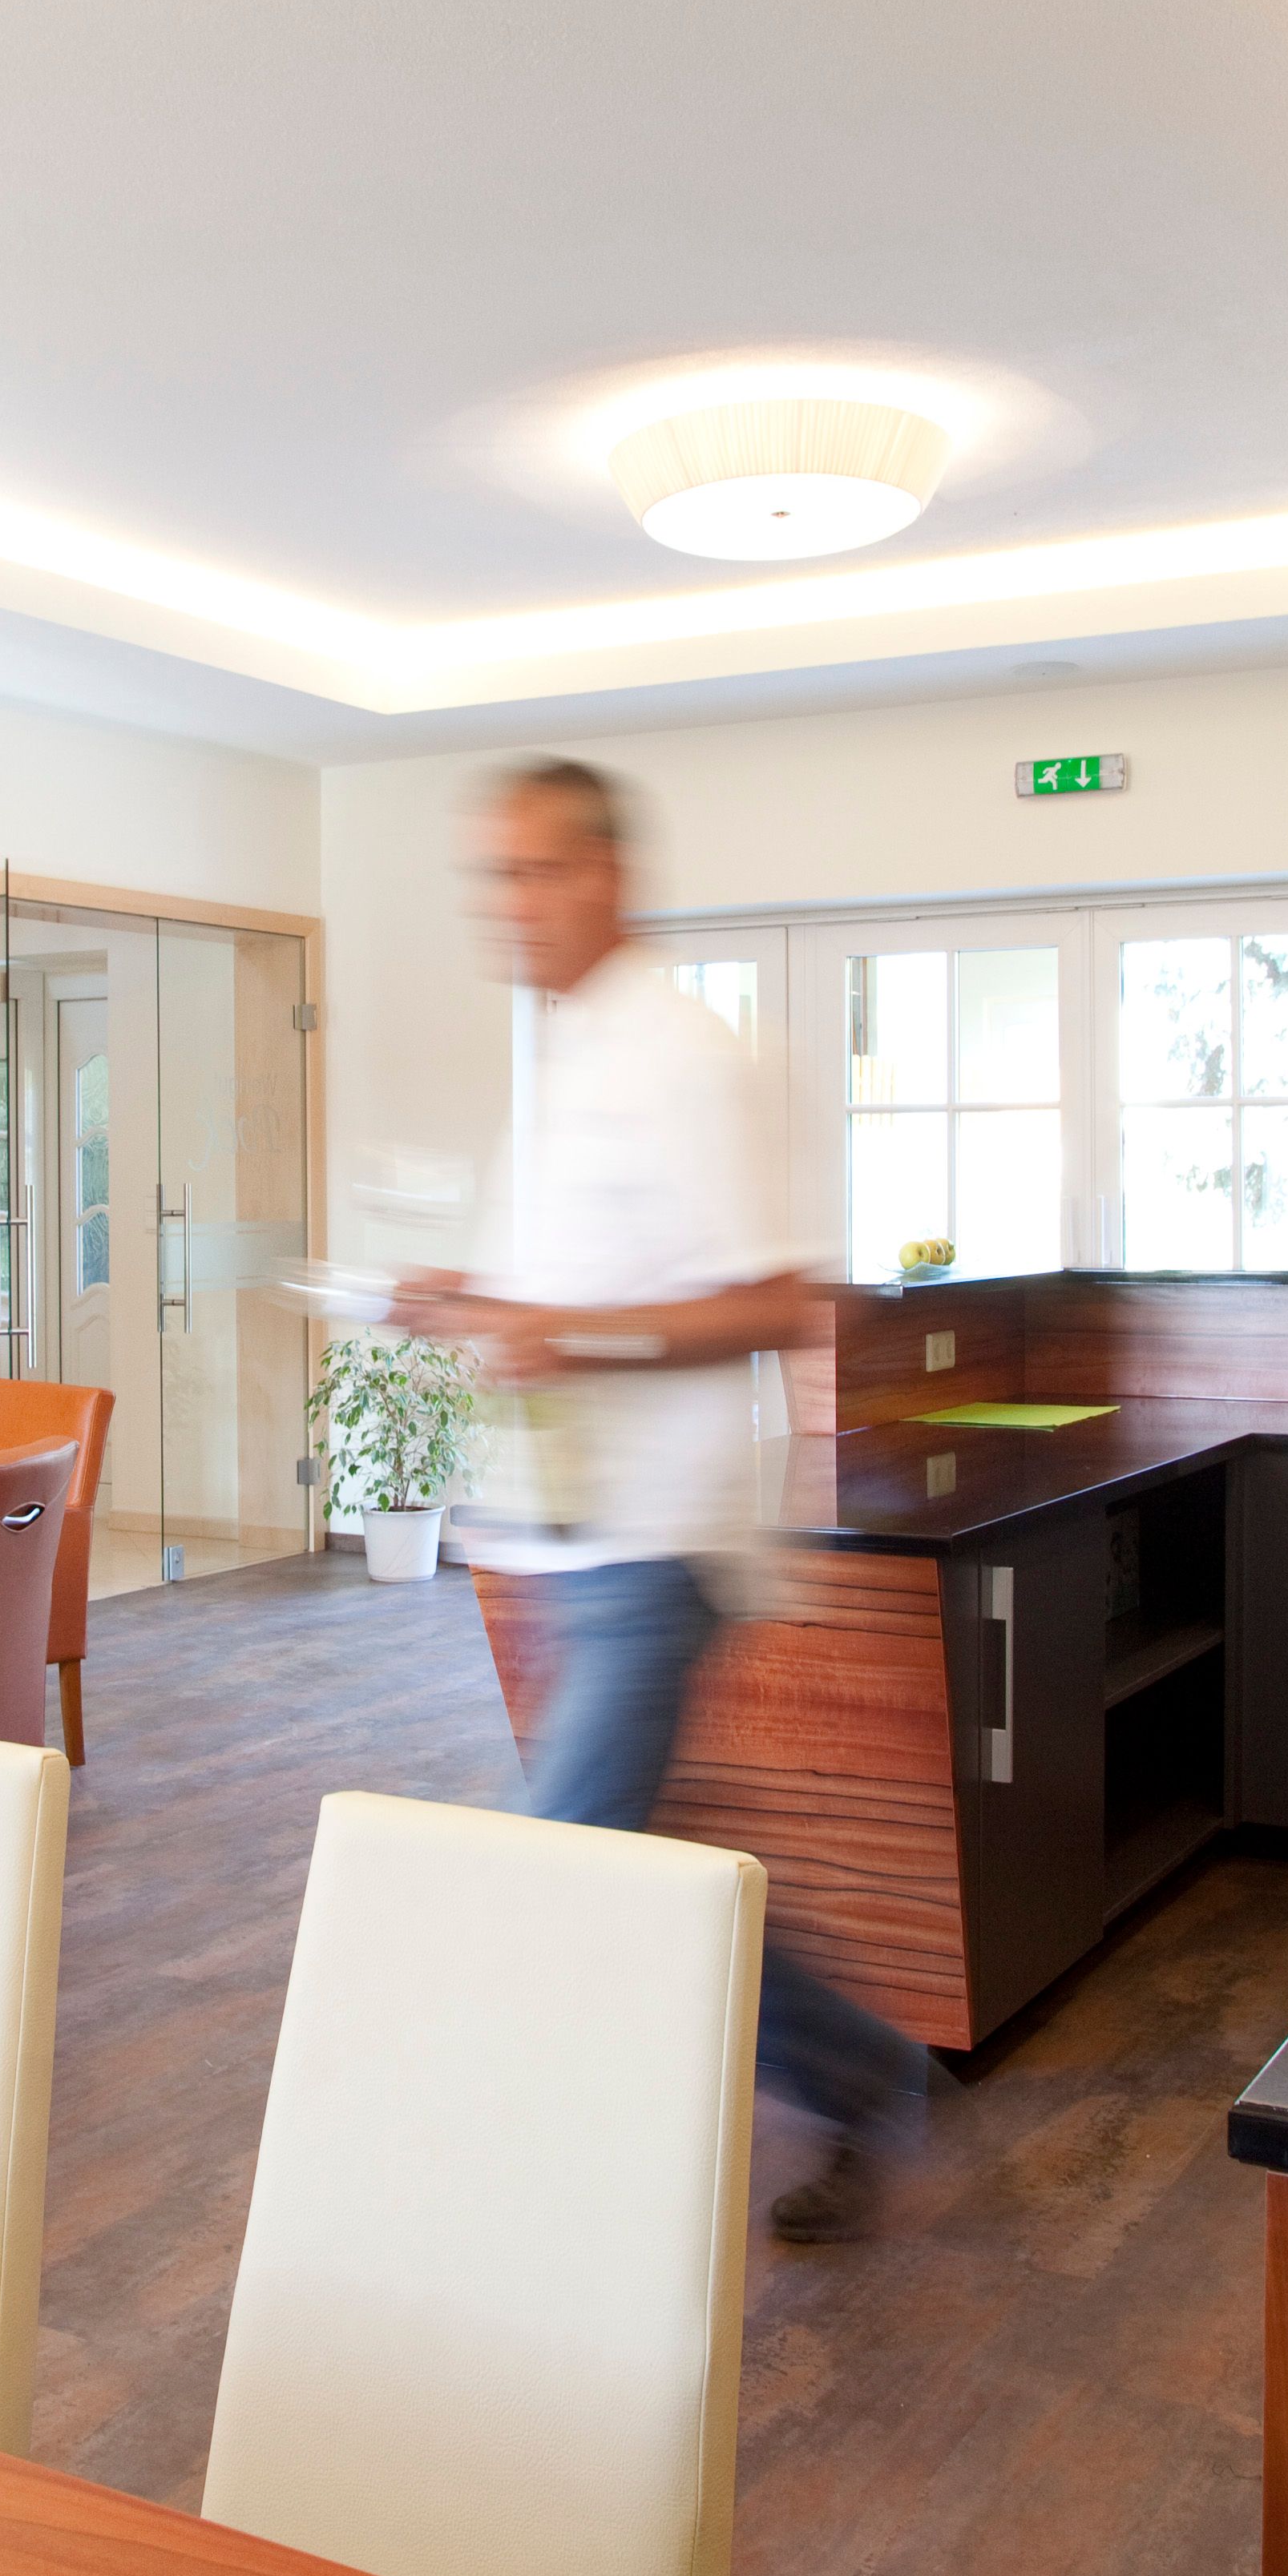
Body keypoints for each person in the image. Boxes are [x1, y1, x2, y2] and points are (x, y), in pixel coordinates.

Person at [397, 756, 926, 2240]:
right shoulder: (563, 1057)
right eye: (489, 878)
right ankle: (859, 2071)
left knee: (562, 1861)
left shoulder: (685, 1052)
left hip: (657, 1542)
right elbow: (582, 1291)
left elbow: (772, 1300)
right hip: (571, 1538)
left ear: (608, 876)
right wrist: (476, 1298)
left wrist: (566, 1336)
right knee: (622, 1872)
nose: (507, 907)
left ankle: (491, 2184)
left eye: (536, 873)